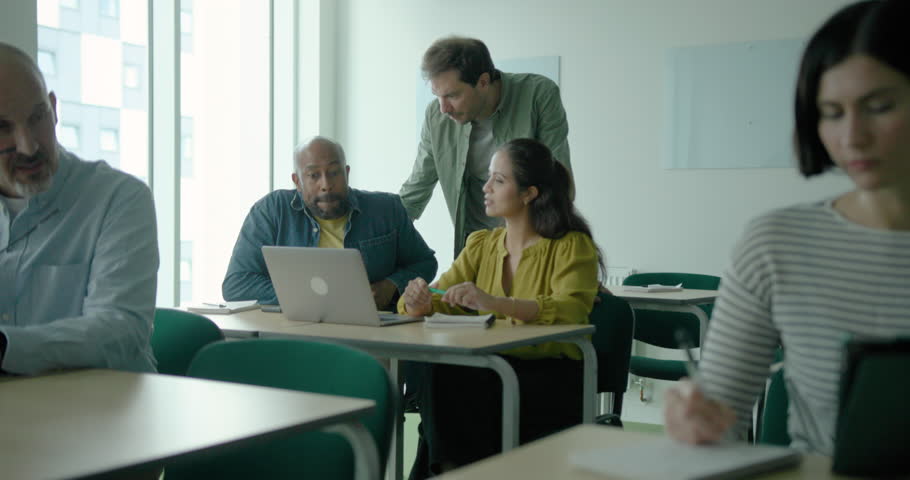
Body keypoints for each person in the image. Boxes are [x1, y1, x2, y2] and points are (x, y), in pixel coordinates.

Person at [664, 0, 910, 456]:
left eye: (879, 107)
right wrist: (695, 421)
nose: (852, 137)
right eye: (832, 113)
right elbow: (719, 413)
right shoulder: (775, 244)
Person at [399, 138, 603, 477]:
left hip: (550, 375)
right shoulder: (481, 244)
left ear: (529, 193)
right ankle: (451, 470)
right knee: (440, 373)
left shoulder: (572, 246)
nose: (486, 187)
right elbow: (445, 295)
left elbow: (572, 310)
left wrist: (495, 303)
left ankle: (449, 470)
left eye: (499, 180)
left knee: (452, 390)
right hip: (492, 368)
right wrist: (419, 301)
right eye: (489, 177)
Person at [0, 43, 159, 375]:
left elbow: (119, 330)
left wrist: (6, 350)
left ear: (54, 109)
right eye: (3, 128)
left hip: (106, 414)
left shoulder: (118, 198)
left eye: (37, 118)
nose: (29, 146)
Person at [399, 36, 573, 257]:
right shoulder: (436, 116)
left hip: (535, 246)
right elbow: (416, 189)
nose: (443, 108)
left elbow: (559, 183)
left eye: (452, 95)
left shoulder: (539, 96)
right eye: (437, 96)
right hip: (476, 251)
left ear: (483, 81)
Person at [223, 136, 437, 309]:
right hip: (294, 333)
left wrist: (391, 285)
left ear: (347, 173)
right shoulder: (271, 211)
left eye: (334, 173)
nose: (326, 185)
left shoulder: (387, 209)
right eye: (314, 175)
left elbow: (425, 263)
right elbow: (237, 284)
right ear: (297, 182)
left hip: (372, 332)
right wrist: (306, 295)